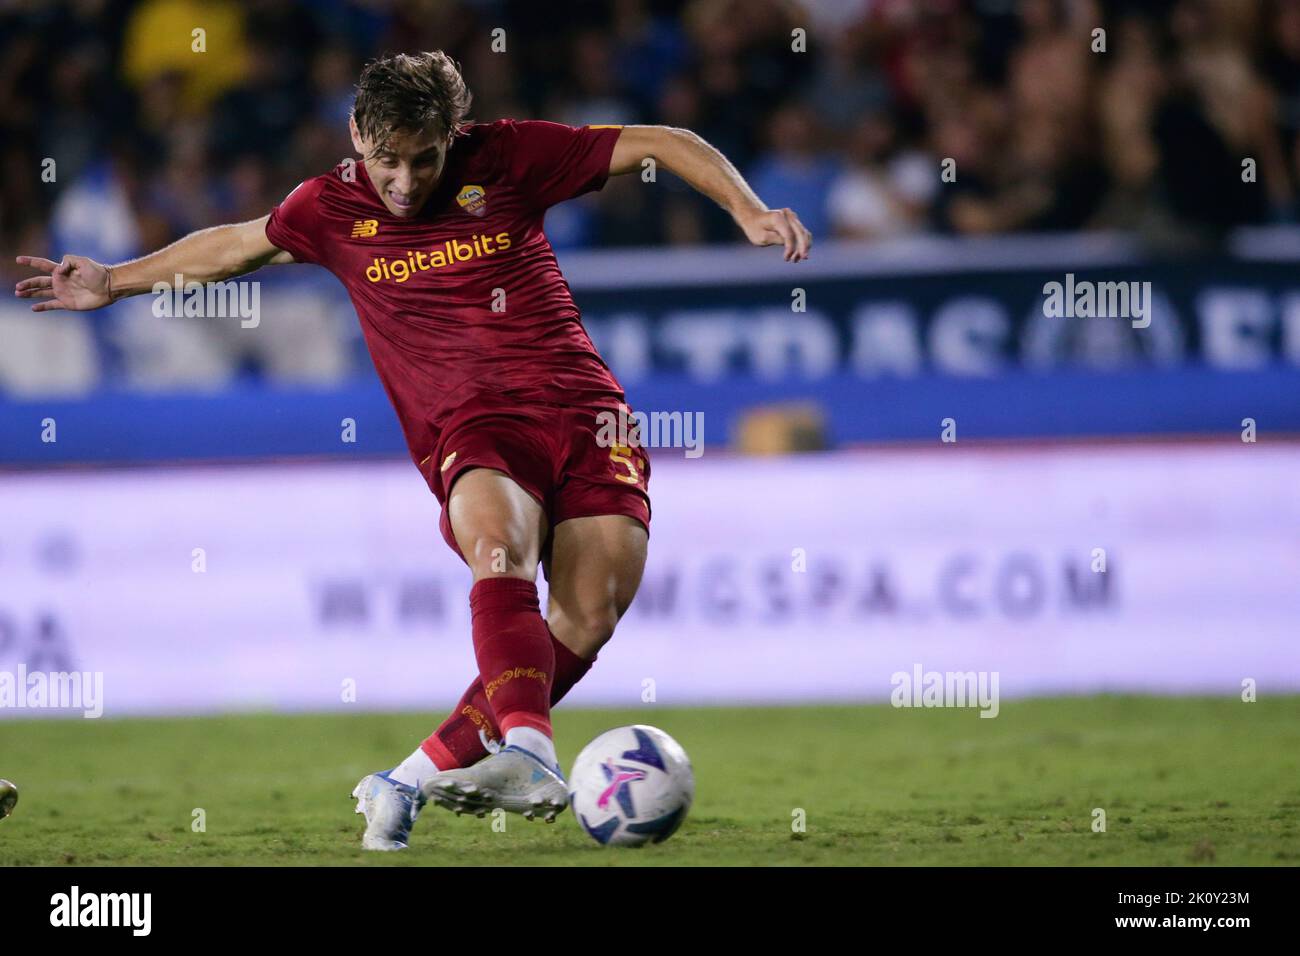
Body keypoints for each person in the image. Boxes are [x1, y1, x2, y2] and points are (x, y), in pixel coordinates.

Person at [14, 50, 812, 850]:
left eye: (423, 159)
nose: (403, 180)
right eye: (386, 160)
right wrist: (114, 281)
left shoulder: (507, 157)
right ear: (358, 135)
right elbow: (234, 246)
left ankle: (404, 783)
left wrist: (747, 210)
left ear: (450, 135)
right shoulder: (327, 208)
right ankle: (530, 751)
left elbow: (662, 141)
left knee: (588, 616)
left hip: (584, 411)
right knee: (496, 545)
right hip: (470, 425)